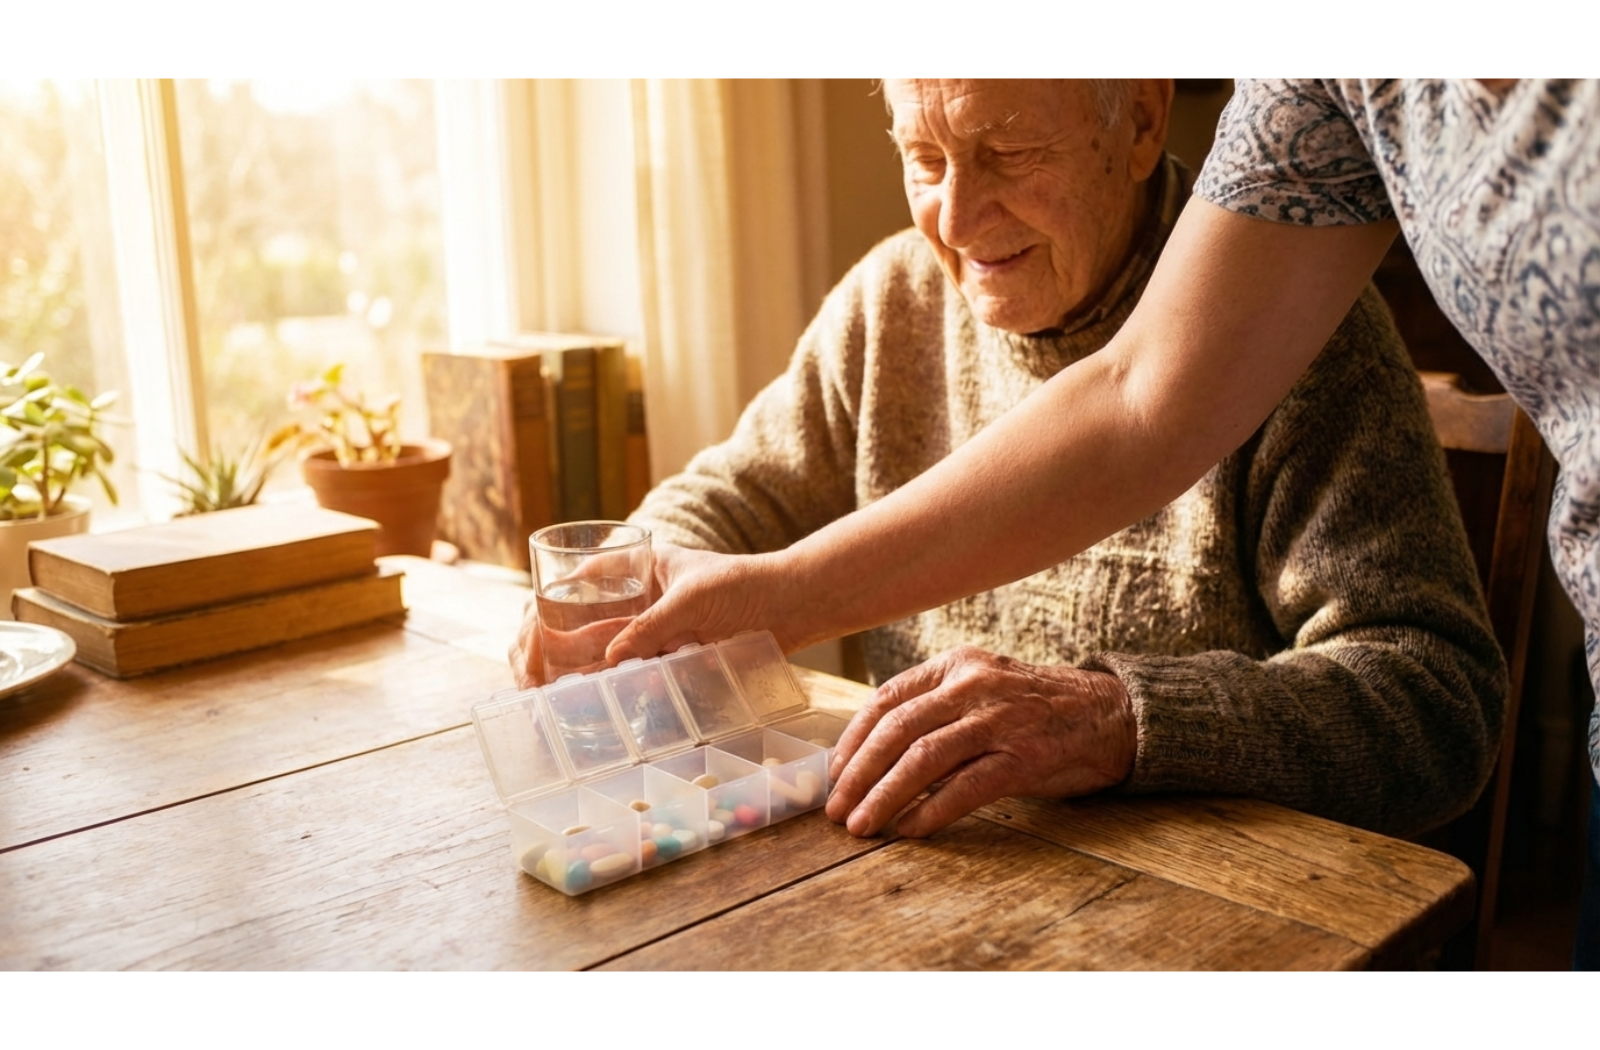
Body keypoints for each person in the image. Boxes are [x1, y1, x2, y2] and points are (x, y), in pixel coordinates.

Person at [603, 78, 1600, 968]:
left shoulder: (1285, 330)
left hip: (1209, 941)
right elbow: (727, 500)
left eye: (1008, 153)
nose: (953, 215)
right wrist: (629, 574)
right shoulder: (893, 299)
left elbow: (1434, 707)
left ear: (1141, 122)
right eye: (923, 158)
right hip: (930, 911)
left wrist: (1122, 720)